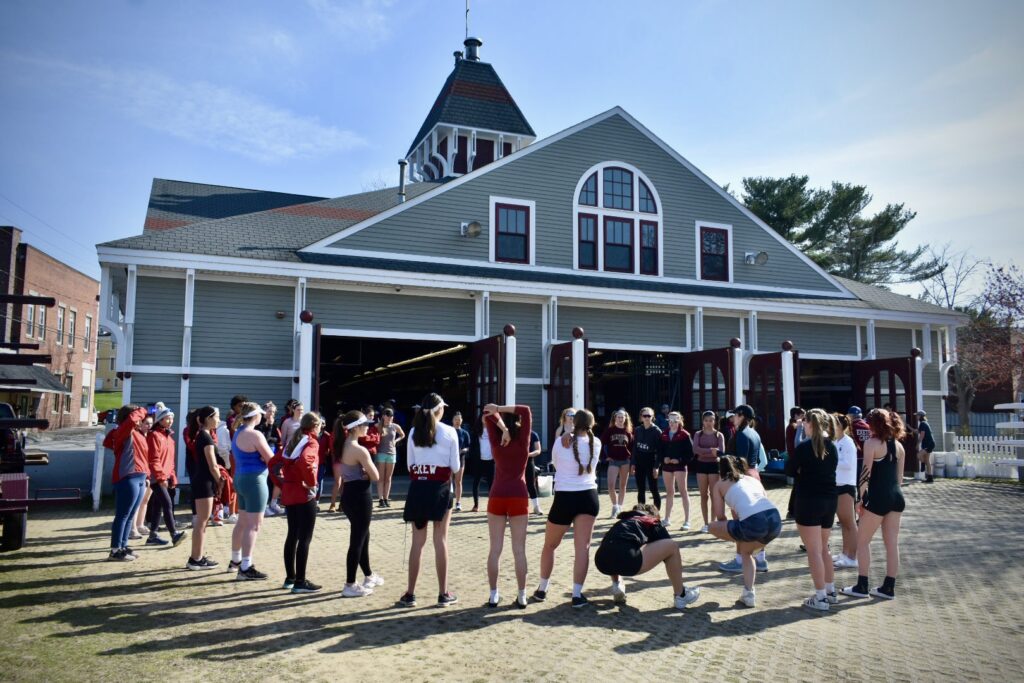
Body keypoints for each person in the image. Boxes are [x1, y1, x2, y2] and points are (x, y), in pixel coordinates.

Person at [535, 409, 601, 608]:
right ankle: (576, 594)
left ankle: (542, 589)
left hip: (565, 496)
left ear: (573, 423)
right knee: (583, 548)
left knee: (550, 545)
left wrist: (566, 435)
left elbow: (555, 462)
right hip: (588, 495)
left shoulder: (560, 442)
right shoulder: (596, 443)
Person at [401, 393, 460, 607]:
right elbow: (455, 467)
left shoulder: (413, 432)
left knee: (418, 543)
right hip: (442, 489)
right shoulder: (450, 432)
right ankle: (443, 593)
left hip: (419, 489)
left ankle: (410, 593)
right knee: (440, 540)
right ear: (439, 410)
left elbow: (409, 465)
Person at [842, 409, 906, 600]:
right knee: (892, 544)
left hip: (878, 497)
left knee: (863, 542)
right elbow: (899, 478)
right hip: (896, 496)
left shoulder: (872, 444)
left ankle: (862, 586)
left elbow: (865, 474)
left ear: (874, 424)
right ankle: (889, 587)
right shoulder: (899, 446)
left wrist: (861, 500)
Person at [708, 455, 782, 608]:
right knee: (746, 552)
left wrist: (731, 529)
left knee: (711, 526)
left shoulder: (719, 484)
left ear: (720, 470)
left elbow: (720, 516)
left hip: (754, 523)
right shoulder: (752, 479)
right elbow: (762, 501)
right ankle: (748, 593)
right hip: (775, 519)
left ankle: (749, 591)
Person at [595, 503, 701, 609]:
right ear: (654, 515)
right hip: (628, 561)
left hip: (601, 561)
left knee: (617, 548)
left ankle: (617, 585)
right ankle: (681, 595)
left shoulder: (622, 521)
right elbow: (667, 546)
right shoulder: (650, 520)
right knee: (672, 547)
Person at [786, 408, 839, 611]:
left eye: (804, 423)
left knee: (814, 551)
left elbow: (789, 470)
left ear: (809, 423)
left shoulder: (804, 448)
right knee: (824, 548)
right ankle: (830, 591)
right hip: (829, 500)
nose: (802, 426)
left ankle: (820, 598)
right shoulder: (832, 447)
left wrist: (802, 471)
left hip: (808, 500)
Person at [481, 403, 533, 608]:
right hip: (519, 495)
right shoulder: (523, 443)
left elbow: (486, 414)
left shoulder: (496, 442)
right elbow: (526, 410)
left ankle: (494, 594)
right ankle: (522, 595)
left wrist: (501, 426)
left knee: (495, 550)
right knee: (519, 550)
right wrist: (501, 408)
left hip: (497, 495)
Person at [270, 411, 324, 594]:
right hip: (303, 493)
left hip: (289, 492)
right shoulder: (311, 442)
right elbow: (305, 463)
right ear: (315, 427)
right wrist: (311, 483)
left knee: (292, 535)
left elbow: (272, 463)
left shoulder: (292, 441)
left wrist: (280, 483)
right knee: (305, 538)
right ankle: (301, 581)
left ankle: (290, 578)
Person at [228, 402, 277, 580]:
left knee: (242, 522)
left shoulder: (238, 432)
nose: (262, 417)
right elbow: (271, 460)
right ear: (255, 416)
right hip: (255, 481)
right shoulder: (255, 434)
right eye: (261, 415)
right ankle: (246, 567)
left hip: (240, 479)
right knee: (253, 525)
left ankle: (235, 561)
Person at [338, 410, 384, 597]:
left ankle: (368, 575)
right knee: (358, 540)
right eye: (365, 425)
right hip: (360, 496)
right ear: (355, 428)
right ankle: (350, 584)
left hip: (349, 494)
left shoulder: (342, 445)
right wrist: (366, 473)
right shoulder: (359, 449)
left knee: (363, 536)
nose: (368, 427)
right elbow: (376, 476)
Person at [718, 405, 769, 573]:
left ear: (741, 416)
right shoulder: (754, 433)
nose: (732, 417)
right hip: (754, 476)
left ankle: (740, 559)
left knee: (741, 521)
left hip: (742, 478)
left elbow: (739, 461)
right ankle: (760, 559)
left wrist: (720, 456)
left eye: (735, 414)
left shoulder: (741, 434)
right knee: (755, 518)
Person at [105, 405, 151, 561]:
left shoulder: (138, 434)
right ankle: (115, 549)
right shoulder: (123, 432)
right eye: (139, 417)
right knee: (122, 515)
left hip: (140, 477)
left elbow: (144, 457)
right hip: (127, 478)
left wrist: (147, 476)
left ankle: (123, 546)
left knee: (130, 515)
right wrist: (143, 409)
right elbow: (132, 420)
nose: (141, 421)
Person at [185, 406, 223, 570]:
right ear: (208, 419)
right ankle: (196, 559)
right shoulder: (206, 438)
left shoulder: (202, 435)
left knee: (202, 521)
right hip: (204, 482)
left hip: (201, 481)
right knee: (202, 522)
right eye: (217, 417)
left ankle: (196, 556)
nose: (219, 420)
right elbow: (213, 464)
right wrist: (220, 480)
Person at [144, 405, 186, 547]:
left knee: (157, 505)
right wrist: (161, 477)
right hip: (157, 477)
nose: (170, 421)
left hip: (165, 476)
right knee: (167, 503)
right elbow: (154, 459)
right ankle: (174, 534)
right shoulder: (154, 435)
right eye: (167, 418)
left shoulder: (169, 438)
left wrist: (172, 476)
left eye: (172, 418)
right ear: (160, 420)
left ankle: (152, 536)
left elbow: (170, 460)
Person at [831, 413, 859, 570]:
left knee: (850, 523)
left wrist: (831, 460)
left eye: (833, 423)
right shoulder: (836, 441)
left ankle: (853, 557)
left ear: (840, 426)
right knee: (843, 523)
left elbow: (847, 464)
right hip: (837, 484)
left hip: (846, 485)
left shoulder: (848, 443)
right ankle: (845, 553)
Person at [692, 410, 725, 533]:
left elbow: (721, 452)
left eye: (711, 420)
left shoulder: (719, 435)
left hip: (714, 466)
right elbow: (695, 449)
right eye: (706, 420)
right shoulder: (698, 434)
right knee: (703, 495)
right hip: (701, 466)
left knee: (713, 495)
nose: (709, 423)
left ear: (715, 421)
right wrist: (711, 450)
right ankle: (705, 523)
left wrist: (704, 451)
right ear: (703, 421)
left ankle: (712, 522)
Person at [659, 411, 693, 529]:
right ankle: (667, 519)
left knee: (683, 492)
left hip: (680, 466)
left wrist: (679, 460)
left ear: (679, 421)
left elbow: (690, 454)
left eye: (675, 421)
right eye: (670, 421)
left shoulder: (685, 435)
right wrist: (664, 459)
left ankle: (687, 521)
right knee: (669, 492)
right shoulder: (663, 434)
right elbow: (659, 451)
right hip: (667, 467)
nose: (672, 423)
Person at [601, 409, 634, 517]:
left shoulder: (628, 432)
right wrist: (606, 457)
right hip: (613, 461)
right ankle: (615, 505)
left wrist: (632, 461)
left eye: (622, 417)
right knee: (610, 485)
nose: (620, 419)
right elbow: (602, 444)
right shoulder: (610, 430)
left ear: (625, 418)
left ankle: (619, 507)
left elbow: (632, 448)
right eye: (618, 417)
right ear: (615, 418)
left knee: (623, 485)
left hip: (625, 461)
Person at [130, 414, 155, 540]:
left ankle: (140, 524)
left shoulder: (150, 436)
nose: (149, 426)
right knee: (137, 501)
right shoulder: (137, 436)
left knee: (145, 500)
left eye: (151, 423)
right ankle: (132, 527)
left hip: (149, 472)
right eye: (146, 423)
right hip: (140, 472)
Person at [632, 407, 662, 510]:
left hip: (651, 460)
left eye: (649, 416)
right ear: (641, 417)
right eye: (645, 416)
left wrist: (656, 466)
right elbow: (635, 447)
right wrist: (633, 463)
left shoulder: (657, 431)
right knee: (641, 489)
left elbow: (660, 451)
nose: (647, 418)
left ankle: (656, 513)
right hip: (640, 460)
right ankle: (641, 513)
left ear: (652, 416)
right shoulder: (637, 430)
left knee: (654, 488)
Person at [256, 402, 283, 515]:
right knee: (265, 479)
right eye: (269, 411)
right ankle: (264, 505)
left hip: (273, 452)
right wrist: (270, 426)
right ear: (264, 412)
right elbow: (264, 439)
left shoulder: (274, 424)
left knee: (275, 478)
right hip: (262, 454)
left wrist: (272, 437)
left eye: (273, 412)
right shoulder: (260, 424)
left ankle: (273, 503)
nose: (271, 414)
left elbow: (278, 439)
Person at [375, 407, 405, 508]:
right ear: (383, 416)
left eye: (391, 416)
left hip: (392, 454)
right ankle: (380, 499)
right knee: (381, 478)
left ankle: (386, 498)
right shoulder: (378, 426)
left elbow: (402, 435)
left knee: (388, 478)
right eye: (387, 416)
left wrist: (396, 441)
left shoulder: (395, 426)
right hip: (381, 454)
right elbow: (371, 435)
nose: (389, 418)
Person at [471, 414, 495, 513]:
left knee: (491, 484)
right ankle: (476, 505)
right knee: (476, 482)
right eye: (483, 417)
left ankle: (492, 505)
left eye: (487, 417)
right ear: (480, 418)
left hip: (491, 460)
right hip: (479, 460)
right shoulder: (476, 431)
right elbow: (472, 446)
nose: (485, 419)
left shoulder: (493, 431)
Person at [452, 411, 471, 512]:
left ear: (461, 421)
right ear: (452, 420)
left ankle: (458, 502)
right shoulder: (449, 431)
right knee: (448, 482)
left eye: (459, 420)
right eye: (456, 419)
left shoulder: (465, 433)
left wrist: (463, 450)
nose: (457, 421)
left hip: (460, 459)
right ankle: (447, 500)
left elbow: (468, 447)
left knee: (458, 481)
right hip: (449, 460)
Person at [526, 427, 543, 516]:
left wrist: (528, 454)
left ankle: (536, 507)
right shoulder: (515, 433)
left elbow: (538, 450)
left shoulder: (533, 434)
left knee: (531, 484)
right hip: (515, 462)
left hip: (529, 462)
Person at [917, 410, 936, 483]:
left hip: (928, 444)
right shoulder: (924, 423)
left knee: (919, 455)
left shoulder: (922, 423)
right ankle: (930, 478)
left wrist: (917, 444)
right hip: (929, 444)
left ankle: (922, 464)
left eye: (918, 415)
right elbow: (917, 431)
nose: (917, 417)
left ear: (921, 416)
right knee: (927, 461)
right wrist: (908, 427)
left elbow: (922, 435)